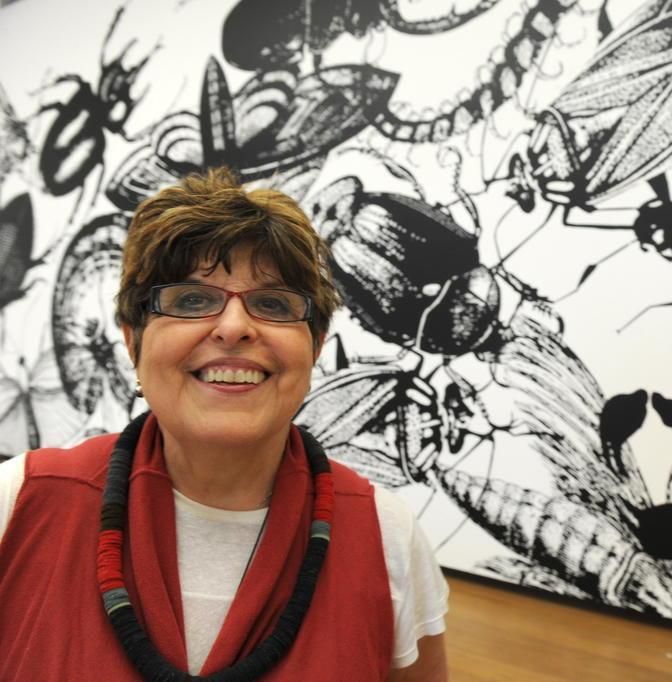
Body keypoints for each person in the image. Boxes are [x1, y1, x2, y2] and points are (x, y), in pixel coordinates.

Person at [0, 168, 449, 680]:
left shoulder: (387, 539)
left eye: (273, 303)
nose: (234, 327)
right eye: (192, 300)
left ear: (315, 347)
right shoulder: (18, 502)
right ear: (132, 341)